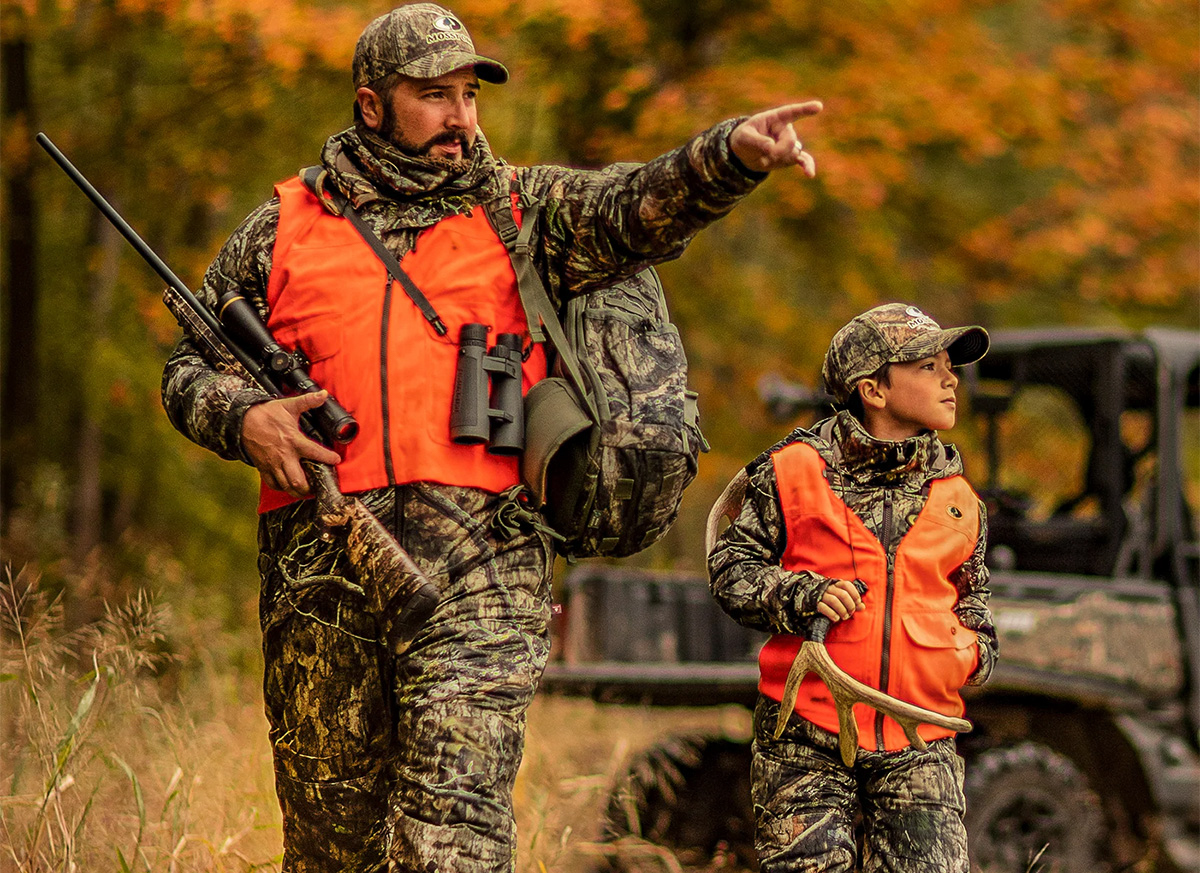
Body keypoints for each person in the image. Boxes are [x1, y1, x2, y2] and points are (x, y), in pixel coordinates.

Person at [161, 3, 823, 870]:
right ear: (371, 104)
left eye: (469, 94)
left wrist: (730, 155)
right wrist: (244, 417)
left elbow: (636, 206)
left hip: (483, 569)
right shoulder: (281, 225)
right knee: (332, 845)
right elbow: (187, 367)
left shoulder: (526, 211)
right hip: (316, 572)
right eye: (434, 95)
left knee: (454, 834)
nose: (460, 116)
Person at [707, 303, 999, 872]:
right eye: (927, 365)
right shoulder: (790, 471)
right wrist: (802, 596)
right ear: (873, 389)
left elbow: (974, 601)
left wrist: (970, 654)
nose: (950, 379)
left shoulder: (960, 497)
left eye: (950, 366)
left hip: (922, 739)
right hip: (805, 734)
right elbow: (730, 569)